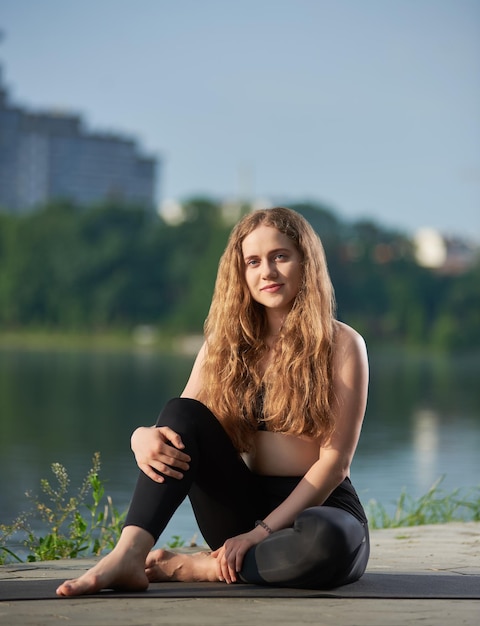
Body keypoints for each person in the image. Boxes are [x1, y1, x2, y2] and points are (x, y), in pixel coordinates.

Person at [56, 206, 369, 595]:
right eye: (253, 262)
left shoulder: (342, 345)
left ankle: (202, 568)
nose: (266, 271)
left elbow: (335, 465)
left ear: (306, 262)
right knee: (181, 413)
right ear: (240, 274)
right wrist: (140, 437)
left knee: (329, 544)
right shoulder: (224, 346)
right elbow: (180, 423)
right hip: (238, 506)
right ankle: (128, 555)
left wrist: (261, 533)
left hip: (318, 508)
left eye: (280, 257)